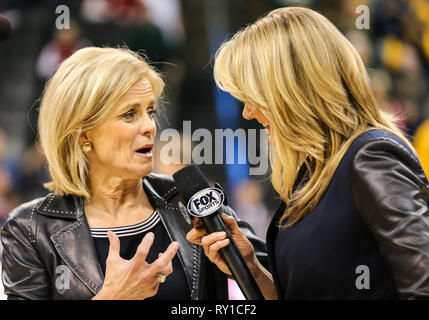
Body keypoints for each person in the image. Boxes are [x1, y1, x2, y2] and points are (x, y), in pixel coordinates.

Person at [187, 7, 429, 299]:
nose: (248, 112)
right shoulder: (313, 175)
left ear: (291, 90)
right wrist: (250, 266)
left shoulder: (369, 155)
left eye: (252, 97)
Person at [0, 47, 267, 300]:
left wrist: (252, 269)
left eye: (150, 111)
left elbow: (288, 288)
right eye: (130, 114)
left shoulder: (193, 203)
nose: (150, 126)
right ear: (83, 133)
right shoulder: (30, 229)